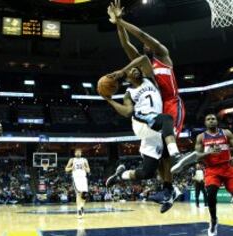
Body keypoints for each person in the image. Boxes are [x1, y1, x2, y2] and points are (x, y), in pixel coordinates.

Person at [107, 0, 186, 203]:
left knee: (167, 151)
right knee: (157, 156)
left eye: (147, 44)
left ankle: (172, 178)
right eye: (144, 46)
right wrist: (117, 23)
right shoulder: (144, 69)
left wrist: (122, 21)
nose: (145, 44)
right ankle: (167, 189)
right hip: (157, 111)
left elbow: (141, 35)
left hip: (172, 103)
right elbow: (126, 44)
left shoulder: (163, 55)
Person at [102, 54, 196, 213]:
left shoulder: (150, 79)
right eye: (131, 71)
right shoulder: (129, 92)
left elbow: (145, 59)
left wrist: (122, 70)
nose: (134, 70)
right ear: (128, 79)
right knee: (167, 120)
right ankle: (176, 155)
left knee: (148, 172)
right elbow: (127, 112)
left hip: (155, 128)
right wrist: (109, 100)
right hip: (141, 122)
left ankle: (121, 176)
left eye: (135, 68)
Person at [65, 148, 90, 219]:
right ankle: (79, 210)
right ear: (75, 153)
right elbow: (66, 169)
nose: (78, 153)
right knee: (78, 194)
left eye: (79, 152)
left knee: (84, 194)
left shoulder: (84, 160)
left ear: (81, 153)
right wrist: (71, 168)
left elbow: (88, 170)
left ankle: (82, 206)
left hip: (83, 178)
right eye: (77, 152)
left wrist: (84, 167)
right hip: (76, 178)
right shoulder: (72, 160)